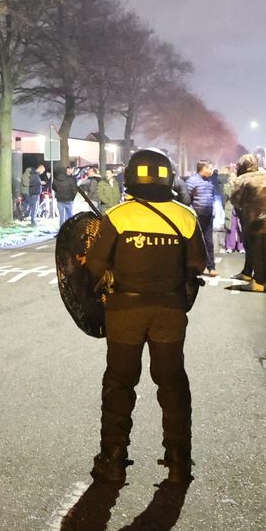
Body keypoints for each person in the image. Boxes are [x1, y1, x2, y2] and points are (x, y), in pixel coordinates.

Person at [82, 147, 207, 484]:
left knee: (120, 382)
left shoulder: (118, 216)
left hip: (124, 311)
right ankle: (179, 459)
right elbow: (198, 264)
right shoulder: (185, 217)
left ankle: (113, 458)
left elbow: (93, 266)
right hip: (169, 311)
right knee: (172, 382)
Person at [229, 153, 266, 290]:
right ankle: (262, 278)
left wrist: (244, 206)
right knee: (265, 249)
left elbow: (235, 198)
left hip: (252, 219)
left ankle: (258, 282)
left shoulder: (243, 179)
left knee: (255, 249)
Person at [184, 160, 220, 277]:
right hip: (196, 217)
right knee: (195, 242)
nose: (211, 170)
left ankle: (211, 267)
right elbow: (187, 199)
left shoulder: (209, 182)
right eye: (209, 168)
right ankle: (194, 267)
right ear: (202, 168)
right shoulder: (192, 181)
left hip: (208, 216)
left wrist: (213, 211)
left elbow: (212, 197)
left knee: (209, 242)